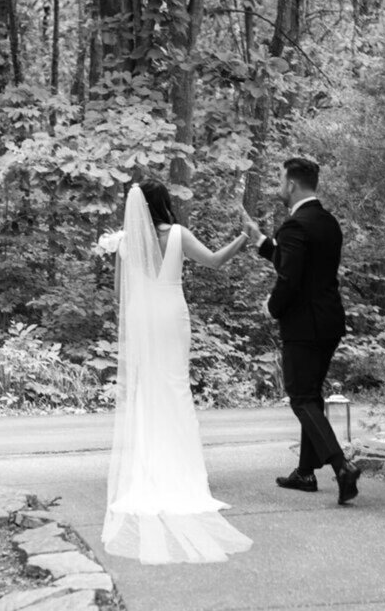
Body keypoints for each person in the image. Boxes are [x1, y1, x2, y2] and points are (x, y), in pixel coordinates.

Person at [101, 178, 254, 564]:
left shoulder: (126, 242)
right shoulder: (179, 235)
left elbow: (121, 294)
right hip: (170, 316)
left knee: (147, 392)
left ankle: (149, 471)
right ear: (164, 203)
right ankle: (183, 476)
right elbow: (217, 261)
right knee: (175, 388)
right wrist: (245, 238)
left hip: (142, 318)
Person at [243, 158, 361, 504]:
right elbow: (296, 263)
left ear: (291, 184)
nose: (280, 186)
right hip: (329, 321)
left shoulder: (294, 226)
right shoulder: (327, 223)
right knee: (311, 395)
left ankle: (342, 466)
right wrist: (262, 240)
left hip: (303, 325)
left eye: (281, 180)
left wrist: (271, 307)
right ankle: (306, 473)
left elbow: (290, 278)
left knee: (301, 396)